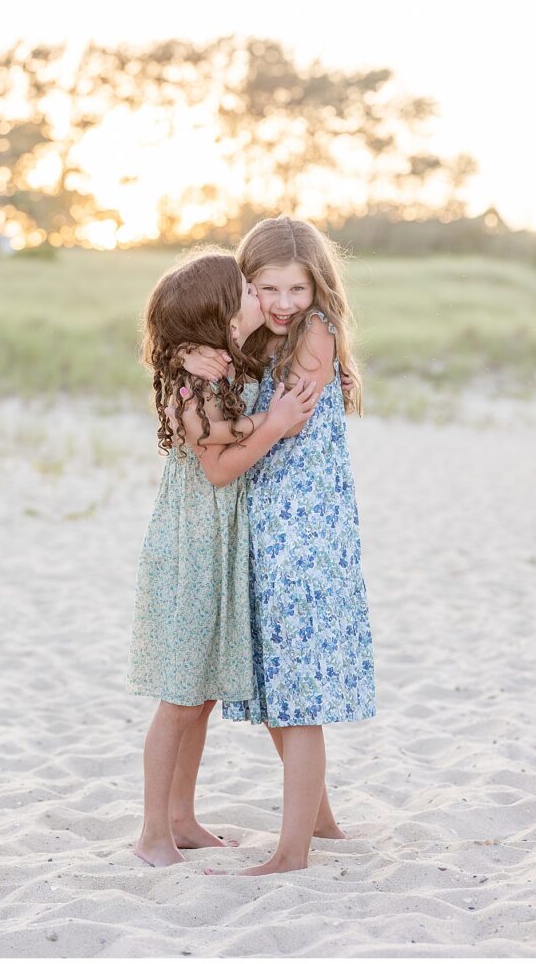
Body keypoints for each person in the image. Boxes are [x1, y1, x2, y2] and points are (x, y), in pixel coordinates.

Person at [181, 217, 376, 875]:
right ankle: (319, 822)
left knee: (296, 696)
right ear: (245, 286)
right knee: (275, 685)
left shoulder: (314, 333)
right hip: (267, 527)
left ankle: (292, 850)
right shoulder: (249, 341)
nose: (286, 302)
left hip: (305, 533)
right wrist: (198, 355)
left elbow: (284, 416)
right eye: (269, 288)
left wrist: (226, 364)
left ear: (317, 286)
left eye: (298, 287)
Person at [127, 248, 318, 868]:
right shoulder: (201, 376)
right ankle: (153, 831)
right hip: (193, 549)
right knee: (180, 696)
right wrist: (276, 425)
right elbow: (217, 468)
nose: (261, 296)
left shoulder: (227, 361)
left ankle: (181, 818)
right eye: (248, 287)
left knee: (200, 695)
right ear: (222, 313)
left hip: (218, 547)